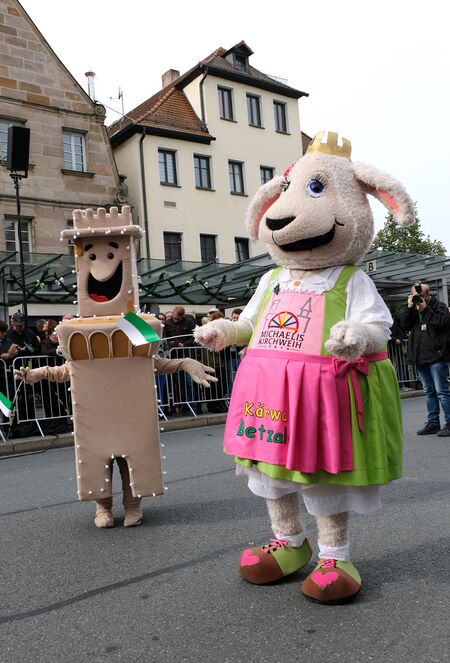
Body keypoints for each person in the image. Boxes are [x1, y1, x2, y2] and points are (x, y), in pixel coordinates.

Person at [400, 282, 450, 436]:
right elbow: (403, 326)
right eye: (415, 296)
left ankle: (449, 423)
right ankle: (433, 423)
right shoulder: (413, 310)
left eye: (420, 296)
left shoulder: (439, 307)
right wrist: (409, 309)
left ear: (428, 295)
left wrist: (425, 309)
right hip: (420, 357)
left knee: (442, 391)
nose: (418, 299)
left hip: (437, 356)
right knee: (429, 392)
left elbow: (442, 323)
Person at [5, 312, 40, 437]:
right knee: (11, 399)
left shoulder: (30, 334)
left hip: (26, 370)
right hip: (11, 372)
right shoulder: (8, 334)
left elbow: (37, 349)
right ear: (12, 323)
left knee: (27, 397)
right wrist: (14, 352)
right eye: (16, 326)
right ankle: (10, 426)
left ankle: (29, 423)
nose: (19, 328)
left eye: (21, 326)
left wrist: (27, 351)